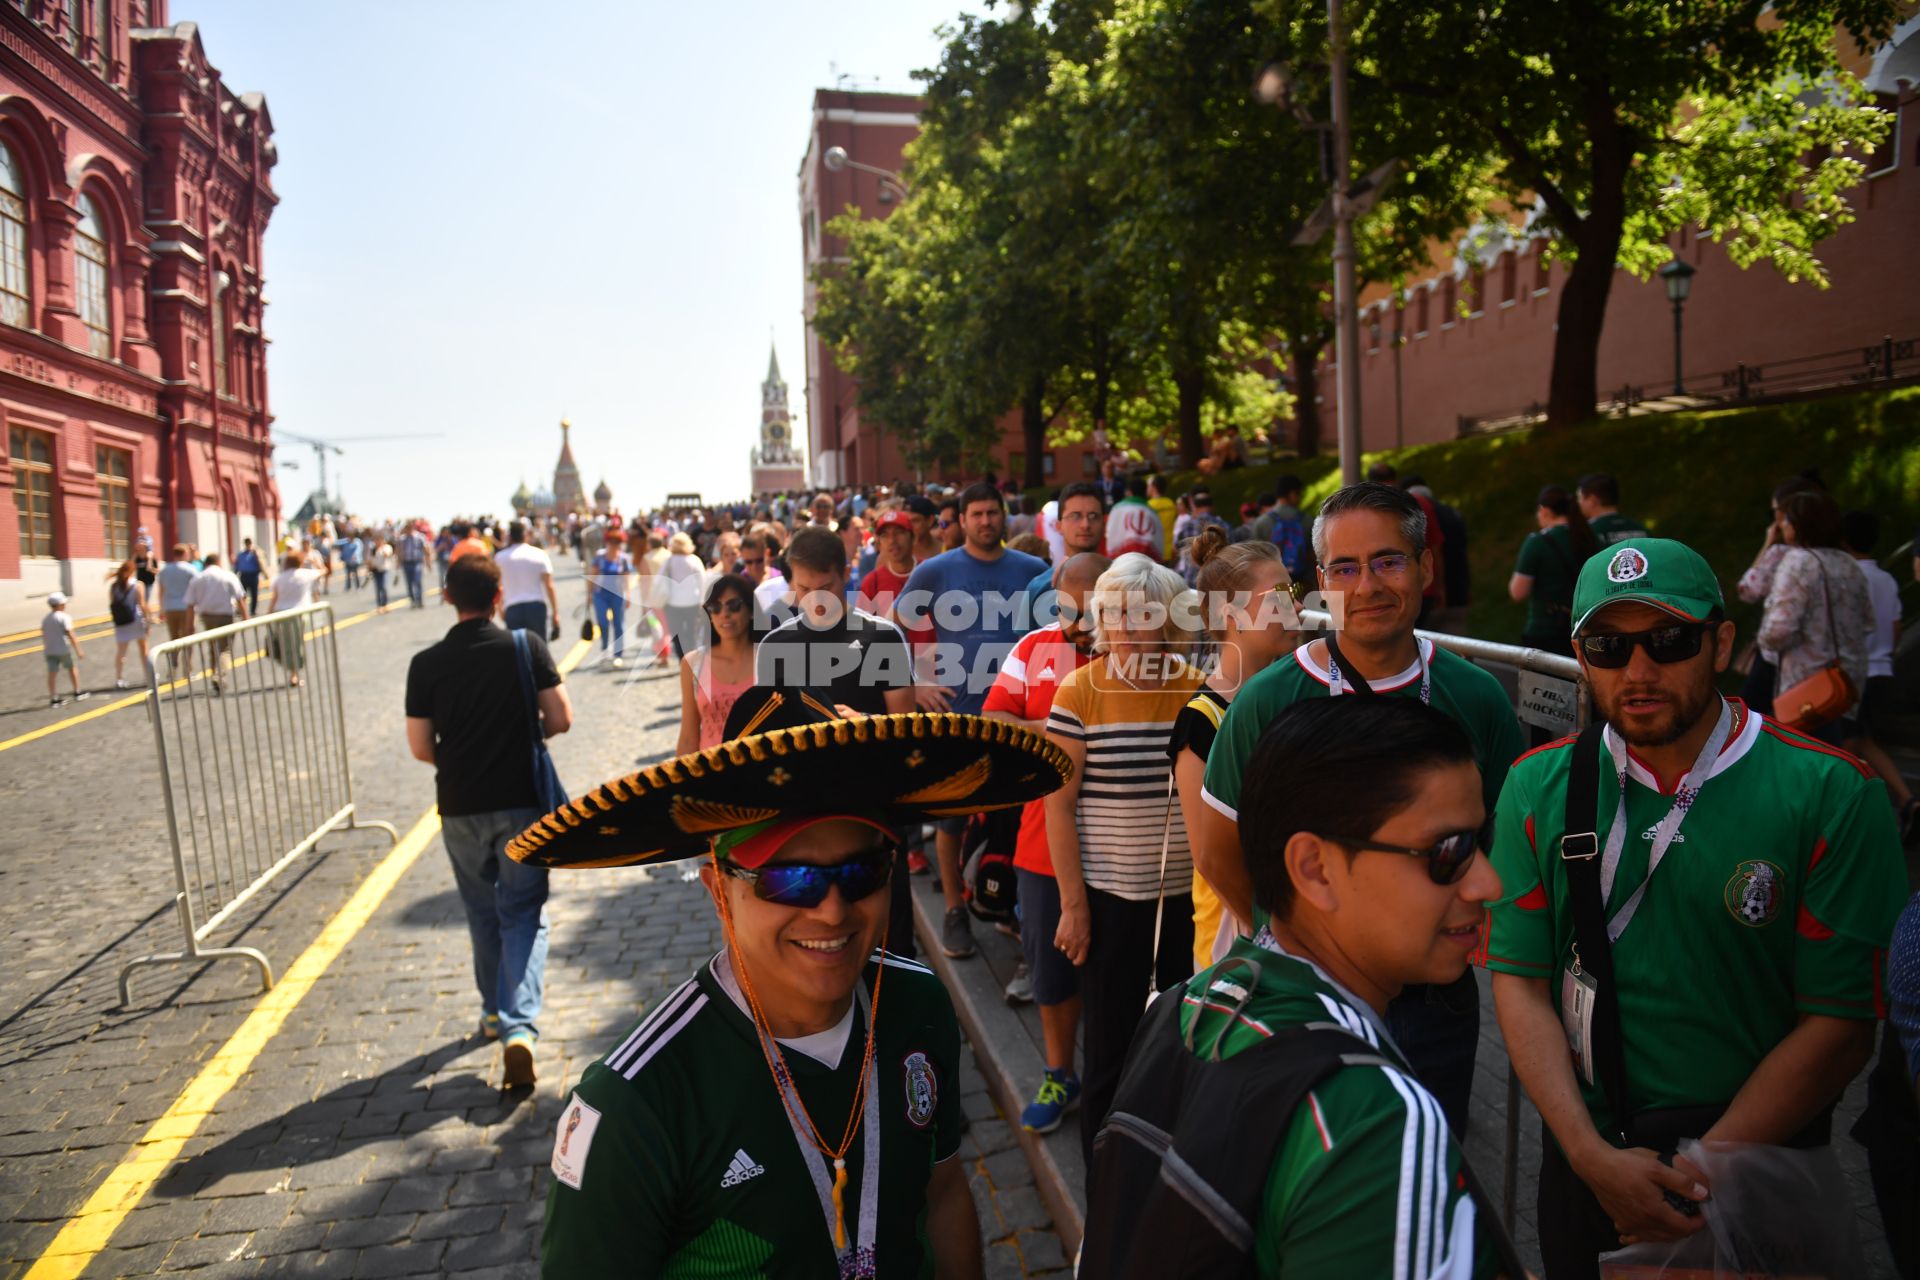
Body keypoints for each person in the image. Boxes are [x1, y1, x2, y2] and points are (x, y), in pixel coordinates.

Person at [525, 695, 1068, 1277]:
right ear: (718, 893)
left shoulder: (919, 1004)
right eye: (790, 879)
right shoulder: (635, 1103)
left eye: (863, 871)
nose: (833, 912)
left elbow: (942, 1192)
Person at [1486, 537, 1905, 1279]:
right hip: (1586, 1156)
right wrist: (1589, 1156)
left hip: (1756, 1161)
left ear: (1720, 643)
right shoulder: (1535, 786)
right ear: (1579, 655)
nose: (1638, 672)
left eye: (1669, 641)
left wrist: (1699, 1178)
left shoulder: (1830, 791)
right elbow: (1520, 980)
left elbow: (1842, 1026)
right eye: (1607, 646)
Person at [1081, 698, 1518, 1280]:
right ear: (1315, 868)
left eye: (1481, 842)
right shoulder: (1375, 1118)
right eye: (1449, 852)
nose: (1488, 882)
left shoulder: (1190, 1002)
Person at [1198, 481, 1525, 1135]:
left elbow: (1500, 846)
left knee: (1425, 1174)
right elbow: (1217, 851)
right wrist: (1295, 934)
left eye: (1388, 561)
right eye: (1345, 568)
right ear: (1321, 581)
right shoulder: (1267, 701)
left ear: (1425, 567)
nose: (1368, 585)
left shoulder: (1477, 697)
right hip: (1300, 995)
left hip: (1432, 1002)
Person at [1045, 553, 1208, 1164]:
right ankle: (1105, 1187)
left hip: (1189, 906)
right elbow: (1057, 807)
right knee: (1111, 1053)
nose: (1124, 630)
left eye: (1141, 617)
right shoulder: (1079, 690)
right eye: (1113, 615)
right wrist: (1073, 907)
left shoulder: (1195, 689)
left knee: (1185, 1047)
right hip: (1110, 906)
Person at [405, 554, 572, 1087]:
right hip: (522, 801)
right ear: (498, 597)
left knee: (482, 912)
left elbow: (419, 747)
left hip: (458, 804)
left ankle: (494, 1012)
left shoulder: (425, 663)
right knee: (523, 910)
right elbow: (561, 717)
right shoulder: (525, 647)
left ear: (448, 597)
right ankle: (519, 1026)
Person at [984, 551, 1108, 1132]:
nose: (1079, 620)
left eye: (1092, 608)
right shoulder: (1032, 648)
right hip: (1039, 847)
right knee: (1051, 972)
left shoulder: (1138, 646)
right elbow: (996, 722)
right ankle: (1061, 1071)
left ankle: (1118, 1076)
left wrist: (1053, 736)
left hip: (1122, 846)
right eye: (1069, 606)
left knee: (1116, 973)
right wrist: (1066, 733)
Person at [899, 482, 1049, 959]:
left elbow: (1056, 635)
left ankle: (1015, 910)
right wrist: (918, 684)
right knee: (950, 817)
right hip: (957, 715)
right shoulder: (935, 571)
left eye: (993, 513)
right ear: (961, 520)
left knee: (1021, 818)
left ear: (1004, 517)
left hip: (1020, 718)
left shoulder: (1034, 570)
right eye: (976, 514)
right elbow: (888, 632)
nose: (985, 521)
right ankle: (953, 910)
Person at [1170, 531, 1298, 972]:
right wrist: (1265, 933)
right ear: (1231, 613)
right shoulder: (1202, 720)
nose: (1297, 607)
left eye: (1294, 592)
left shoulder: (1298, 696)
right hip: (1239, 938)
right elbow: (1210, 858)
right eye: (1279, 596)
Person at [1755, 489, 1872, 742]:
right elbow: (1867, 621)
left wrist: (1763, 639)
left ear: (1799, 525)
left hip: (1807, 688)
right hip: (1846, 684)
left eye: (1786, 519)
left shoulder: (1798, 561)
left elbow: (1777, 632)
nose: (1782, 525)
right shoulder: (1849, 563)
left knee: (1802, 759)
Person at [1838, 509, 1917, 839]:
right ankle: (1907, 800)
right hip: (1882, 670)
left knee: (1843, 745)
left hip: (1854, 674)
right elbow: (1895, 627)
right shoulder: (1885, 578)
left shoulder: (1846, 575)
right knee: (1862, 742)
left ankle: (1858, 819)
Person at [1735, 474, 1826, 711]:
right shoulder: (1840, 558)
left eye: (1776, 512)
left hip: (1781, 660)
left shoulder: (1785, 556)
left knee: (1751, 718)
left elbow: (1747, 590)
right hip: (1828, 660)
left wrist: (1768, 542)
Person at [1509, 484, 1599, 657]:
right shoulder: (1588, 537)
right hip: (1583, 625)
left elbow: (1518, 592)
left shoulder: (1537, 542)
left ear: (1544, 510)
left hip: (1545, 629)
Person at [677, 573, 758, 753]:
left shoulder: (770, 660)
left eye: (734, 606)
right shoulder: (693, 665)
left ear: (751, 611)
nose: (724, 614)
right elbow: (689, 737)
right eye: (715, 607)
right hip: (712, 775)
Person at [1028, 482, 1105, 619]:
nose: (1085, 525)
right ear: (1058, 525)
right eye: (1075, 516)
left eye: (1093, 516)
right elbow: (1028, 640)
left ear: (1103, 523)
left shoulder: (1124, 581)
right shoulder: (1039, 587)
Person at [184, 551, 247, 694]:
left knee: (213, 647)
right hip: (225, 615)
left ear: (206, 563)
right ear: (219, 562)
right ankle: (219, 675)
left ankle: (214, 673)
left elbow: (190, 603)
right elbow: (240, 598)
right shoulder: (228, 576)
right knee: (225, 648)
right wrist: (245, 617)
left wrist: (189, 624)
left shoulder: (198, 578)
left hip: (207, 616)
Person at [266, 551, 323, 687]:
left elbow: (274, 598)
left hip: (281, 613)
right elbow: (323, 570)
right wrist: (313, 561)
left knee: (286, 642)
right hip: (298, 613)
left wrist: (268, 614)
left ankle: (292, 672)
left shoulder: (280, 578)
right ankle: (294, 674)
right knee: (296, 644)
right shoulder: (304, 574)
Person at [496, 521, 559, 637]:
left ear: (510, 537)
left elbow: (498, 585)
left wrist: (500, 609)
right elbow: (549, 585)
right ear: (526, 535)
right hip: (536, 606)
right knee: (539, 648)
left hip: (512, 607)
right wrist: (555, 612)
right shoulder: (540, 554)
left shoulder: (500, 557)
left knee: (517, 649)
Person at [856, 508, 917, 618]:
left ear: (912, 537)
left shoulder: (930, 572)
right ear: (879, 543)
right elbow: (858, 629)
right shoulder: (872, 582)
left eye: (899, 533)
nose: (892, 540)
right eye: (885, 535)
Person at [588, 529, 634, 669]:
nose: (614, 545)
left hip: (617, 594)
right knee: (603, 622)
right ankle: (604, 649)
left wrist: (628, 594)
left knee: (618, 624)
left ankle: (618, 654)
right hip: (600, 593)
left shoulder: (624, 558)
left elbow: (627, 577)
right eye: (611, 542)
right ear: (607, 542)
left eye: (617, 543)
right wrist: (589, 594)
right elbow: (593, 574)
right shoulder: (600, 557)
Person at [661, 531, 709, 661]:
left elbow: (660, 580)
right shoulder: (694, 560)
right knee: (691, 633)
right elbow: (702, 581)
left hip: (672, 603)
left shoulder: (669, 561)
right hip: (692, 602)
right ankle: (692, 656)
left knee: (677, 633)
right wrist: (701, 600)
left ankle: (682, 658)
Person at [155, 543, 201, 678]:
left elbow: (161, 591)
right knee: (188, 638)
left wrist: (161, 608)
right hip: (187, 608)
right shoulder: (190, 569)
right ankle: (188, 669)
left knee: (173, 639)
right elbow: (196, 589)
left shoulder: (165, 570)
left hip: (170, 607)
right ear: (185, 554)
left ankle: (173, 667)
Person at [107, 559, 152, 689]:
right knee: (143, 649)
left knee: (121, 651)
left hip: (121, 621)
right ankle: (147, 676)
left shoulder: (114, 586)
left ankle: (119, 678)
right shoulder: (138, 585)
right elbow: (142, 604)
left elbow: (112, 603)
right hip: (135, 619)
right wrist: (148, 621)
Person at [41, 592, 88, 708]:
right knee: (72, 669)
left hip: (50, 650)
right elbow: (70, 634)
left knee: (52, 673)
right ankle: (77, 691)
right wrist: (78, 650)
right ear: (60, 604)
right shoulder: (64, 617)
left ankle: (53, 697)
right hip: (63, 649)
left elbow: (44, 634)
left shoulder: (46, 619)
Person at [1576, 472, 1648, 546]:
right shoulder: (1641, 528)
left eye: (1579, 498)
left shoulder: (1586, 533)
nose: (1578, 503)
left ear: (1592, 500)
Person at [1104, 476, 1163, 562]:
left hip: (1121, 563)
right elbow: (1158, 543)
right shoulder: (1152, 513)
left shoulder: (1117, 509)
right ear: (1145, 492)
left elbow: (1109, 534)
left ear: (1129, 492)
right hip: (1146, 563)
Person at [1145, 475, 1176, 561]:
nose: (1146, 488)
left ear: (1154, 487)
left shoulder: (1148, 505)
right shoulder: (1171, 504)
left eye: (1148, 485)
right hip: (1169, 551)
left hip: (1154, 553)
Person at [399, 523, 430, 609]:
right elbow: (399, 551)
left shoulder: (419, 537)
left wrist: (428, 562)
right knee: (409, 583)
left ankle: (419, 600)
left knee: (417, 581)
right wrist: (398, 563)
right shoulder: (402, 539)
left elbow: (425, 549)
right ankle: (412, 601)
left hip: (417, 562)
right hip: (406, 562)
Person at [234, 537, 264, 614]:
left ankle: (253, 610)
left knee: (254, 594)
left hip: (253, 575)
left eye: (249, 543)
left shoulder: (255, 554)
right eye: (247, 543)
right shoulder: (241, 555)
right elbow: (237, 565)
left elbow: (262, 564)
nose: (248, 545)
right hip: (244, 575)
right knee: (242, 594)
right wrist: (235, 573)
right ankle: (242, 609)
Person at [368, 535, 395, 609]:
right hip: (376, 570)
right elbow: (370, 559)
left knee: (384, 587)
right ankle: (379, 605)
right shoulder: (373, 549)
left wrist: (381, 549)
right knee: (378, 588)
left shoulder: (386, 547)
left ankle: (385, 604)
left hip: (384, 570)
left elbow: (387, 554)